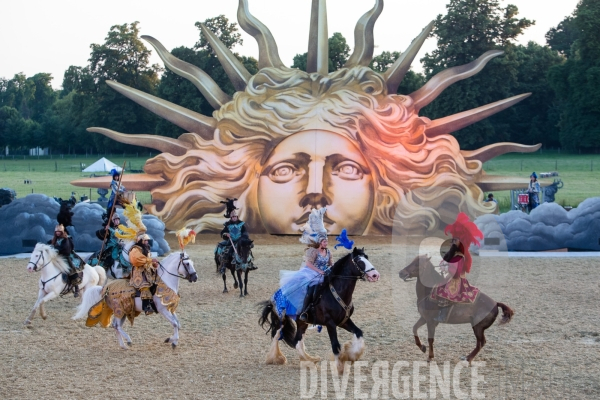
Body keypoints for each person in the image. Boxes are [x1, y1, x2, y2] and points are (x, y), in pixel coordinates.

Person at [272, 208, 333, 322]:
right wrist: (319, 271)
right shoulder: (313, 251)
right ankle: (305, 310)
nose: (326, 243)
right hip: (311, 273)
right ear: (320, 242)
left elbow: (331, 264)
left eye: (327, 241)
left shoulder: (328, 252)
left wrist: (331, 269)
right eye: (324, 241)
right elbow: (309, 264)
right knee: (309, 289)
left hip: (324, 273)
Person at [433, 213, 483, 322]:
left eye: (455, 240)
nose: (452, 241)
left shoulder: (460, 256)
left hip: (456, 280)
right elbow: (445, 261)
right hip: (450, 277)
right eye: (452, 239)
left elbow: (456, 272)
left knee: (444, 292)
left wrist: (446, 268)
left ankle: (443, 315)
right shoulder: (452, 253)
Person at [215, 202, 257, 271]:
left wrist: (243, 238)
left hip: (240, 241)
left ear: (237, 217)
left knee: (247, 250)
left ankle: (250, 263)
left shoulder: (241, 224)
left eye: (235, 217)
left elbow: (245, 232)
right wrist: (226, 234)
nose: (234, 218)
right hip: (231, 242)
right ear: (231, 218)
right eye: (233, 217)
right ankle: (224, 265)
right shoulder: (227, 225)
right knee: (227, 252)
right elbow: (223, 232)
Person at [49, 224, 83, 297]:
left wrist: (55, 250)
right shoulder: (55, 239)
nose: (57, 233)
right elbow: (52, 246)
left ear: (62, 231)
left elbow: (65, 249)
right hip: (57, 256)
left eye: (59, 231)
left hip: (66, 256)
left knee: (70, 270)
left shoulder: (66, 239)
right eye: (56, 231)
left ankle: (76, 288)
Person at [128, 233, 158, 315]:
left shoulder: (146, 248)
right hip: (139, 272)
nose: (147, 242)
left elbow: (148, 259)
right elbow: (137, 259)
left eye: (147, 240)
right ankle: (146, 307)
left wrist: (153, 264)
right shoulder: (135, 249)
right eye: (145, 240)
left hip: (148, 270)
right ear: (141, 240)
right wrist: (150, 260)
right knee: (144, 287)